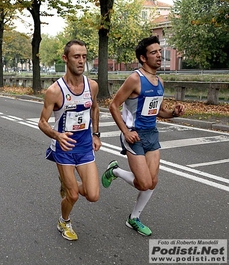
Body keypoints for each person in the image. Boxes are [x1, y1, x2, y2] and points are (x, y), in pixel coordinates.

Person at [101, 36, 185, 236]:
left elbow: (159, 112)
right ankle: (115, 172)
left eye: (159, 51)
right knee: (144, 183)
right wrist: (126, 132)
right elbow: (113, 105)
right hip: (134, 136)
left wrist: (173, 113)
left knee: (152, 182)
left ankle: (134, 218)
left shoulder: (160, 81)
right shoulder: (135, 79)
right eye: (153, 52)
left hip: (152, 135)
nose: (159, 55)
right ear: (143, 58)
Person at [38, 39, 102, 241]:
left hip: (84, 147)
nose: (81, 61)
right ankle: (64, 221)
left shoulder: (91, 86)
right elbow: (42, 122)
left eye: (84, 56)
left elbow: (95, 108)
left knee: (93, 195)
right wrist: (56, 135)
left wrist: (96, 134)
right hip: (63, 148)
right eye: (76, 56)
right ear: (65, 59)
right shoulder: (55, 91)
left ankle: (68, 185)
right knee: (73, 195)